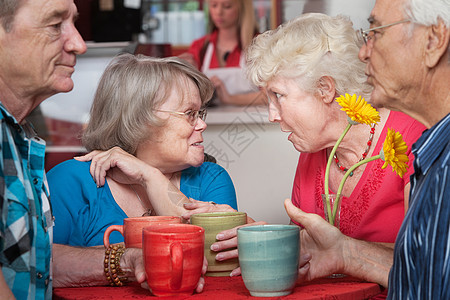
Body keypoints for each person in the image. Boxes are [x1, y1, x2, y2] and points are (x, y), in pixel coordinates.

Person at [283, 0, 449, 299]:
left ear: (434, 40)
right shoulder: (433, 152)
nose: (363, 52)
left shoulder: (429, 153)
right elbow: (426, 274)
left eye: (376, 33)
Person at [48, 53, 238, 287]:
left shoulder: (211, 179)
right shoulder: (69, 181)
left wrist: (150, 176)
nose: (202, 124)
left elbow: (210, 260)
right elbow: (39, 263)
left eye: (201, 113)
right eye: (190, 114)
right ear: (140, 120)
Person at [0, 0, 87, 299]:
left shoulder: (17, 131)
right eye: (54, 25)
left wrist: (123, 261)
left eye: (74, 23)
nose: (79, 44)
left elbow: (27, 264)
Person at [179, 0, 266, 106]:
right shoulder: (200, 47)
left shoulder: (259, 45)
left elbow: (270, 96)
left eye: (227, 6)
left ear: (242, 9)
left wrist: (229, 99)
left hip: (251, 121)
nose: (219, 12)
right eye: (214, 5)